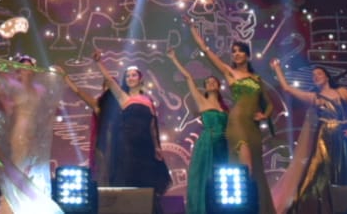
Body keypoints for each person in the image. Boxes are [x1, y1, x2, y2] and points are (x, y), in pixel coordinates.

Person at [190, 27, 274, 213]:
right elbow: (206, 51)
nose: (236, 54)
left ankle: (258, 209)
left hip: (253, 128)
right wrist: (193, 30)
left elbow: (269, 104)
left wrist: (264, 115)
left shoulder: (257, 78)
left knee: (256, 169)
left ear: (247, 55)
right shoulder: (229, 72)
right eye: (233, 51)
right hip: (236, 123)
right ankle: (245, 209)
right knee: (246, 167)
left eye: (240, 51)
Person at [271, 60, 347, 213]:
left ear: (327, 77)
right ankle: (310, 207)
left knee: (340, 170)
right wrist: (277, 68)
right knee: (318, 171)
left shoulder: (342, 92)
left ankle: (340, 208)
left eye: (319, 74)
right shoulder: (314, 97)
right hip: (323, 137)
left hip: (341, 138)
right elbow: (287, 89)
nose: (316, 76)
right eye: (313, 75)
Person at [93, 51, 172, 207]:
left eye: (133, 75)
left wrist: (157, 146)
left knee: (145, 180)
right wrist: (98, 63)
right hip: (127, 145)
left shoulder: (148, 100)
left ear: (140, 78)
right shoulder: (124, 97)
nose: (130, 78)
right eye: (127, 76)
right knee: (128, 176)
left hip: (145, 146)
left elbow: (152, 126)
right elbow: (110, 81)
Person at [167, 48, 228, 214]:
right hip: (207, 143)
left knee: (220, 180)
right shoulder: (202, 101)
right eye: (208, 82)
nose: (211, 83)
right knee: (204, 178)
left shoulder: (224, 108)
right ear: (205, 88)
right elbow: (188, 77)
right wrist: (174, 58)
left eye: (214, 81)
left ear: (219, 86)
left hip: (222, 145)